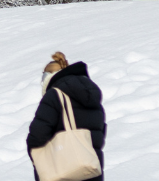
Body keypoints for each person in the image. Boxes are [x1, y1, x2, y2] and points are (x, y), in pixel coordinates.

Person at [27, 52, 105, 181]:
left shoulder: (54, 95)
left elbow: (38, 133)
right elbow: (99, 135)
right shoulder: (93, 98)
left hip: (64, 169)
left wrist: (35, 151)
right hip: (91, 169)